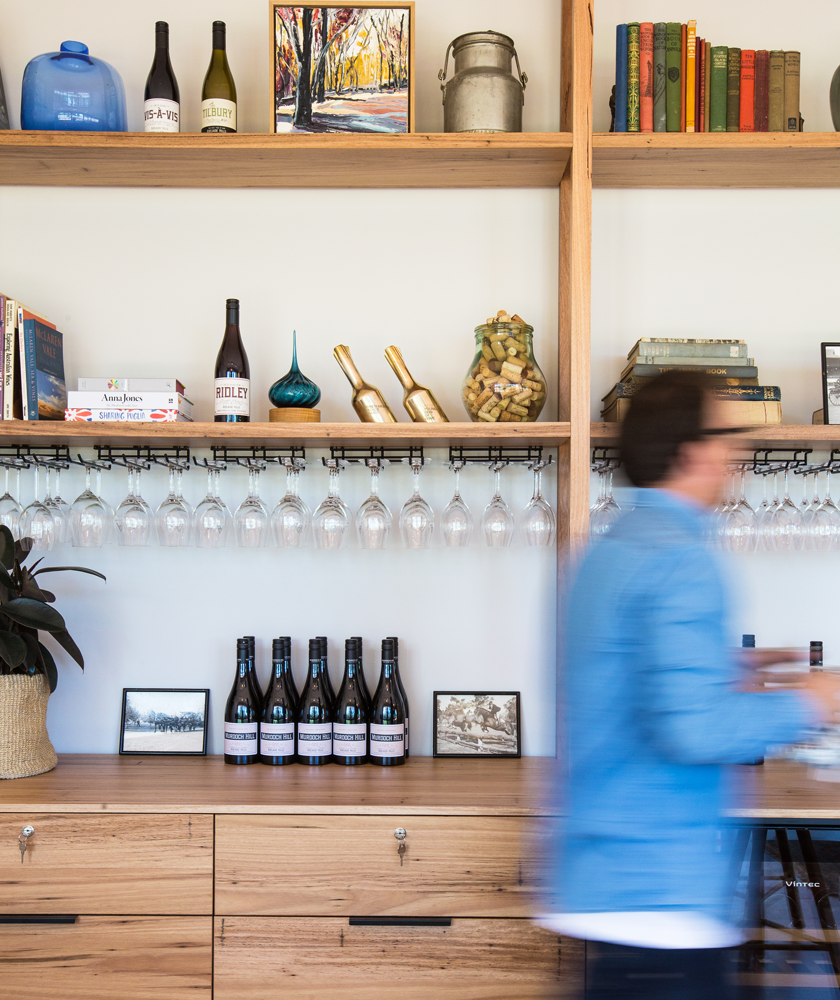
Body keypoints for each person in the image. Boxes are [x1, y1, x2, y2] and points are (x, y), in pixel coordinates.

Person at [541, 372, 840, 999]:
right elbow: (692, 730)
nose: (740, 452)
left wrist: (729, 666)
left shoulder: (607, 550)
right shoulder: (684, 557)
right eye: (727, 434)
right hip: (661, 893)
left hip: (597, 873)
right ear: (690, 450)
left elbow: (616, 674)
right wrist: (817, 699)